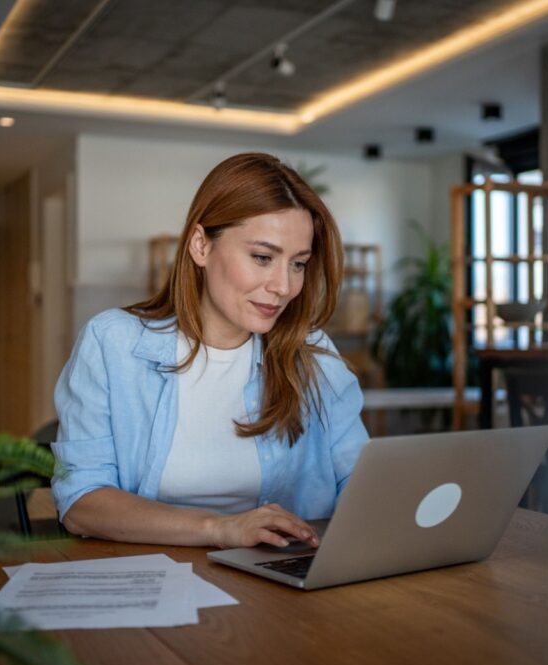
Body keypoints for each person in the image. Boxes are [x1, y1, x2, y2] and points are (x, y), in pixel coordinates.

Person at [51, 152, 369, 550]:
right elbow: (81, 502)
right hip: (150, 578)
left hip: (278, 585)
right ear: (201, 246)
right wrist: (220, 529)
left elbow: (362, 480)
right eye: (263, 257)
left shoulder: (311, 353)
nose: (284, 286)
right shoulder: (112, 344)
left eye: (298, 264)